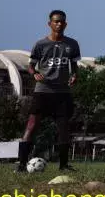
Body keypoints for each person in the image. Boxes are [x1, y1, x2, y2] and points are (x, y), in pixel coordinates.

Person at [16, 10, 80, 173]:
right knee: (31, 126)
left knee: (64, 129)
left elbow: (74, 66)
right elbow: (31, 66)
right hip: (43, 91)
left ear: (65, 24)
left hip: (62, 93)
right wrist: (34, 73)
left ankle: (64, 166)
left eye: (62, 22)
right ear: (50, 23)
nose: (59, 24)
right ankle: (22, 165)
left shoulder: (72, 44)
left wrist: (75, 75)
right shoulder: (40, 44)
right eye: (56, 21)